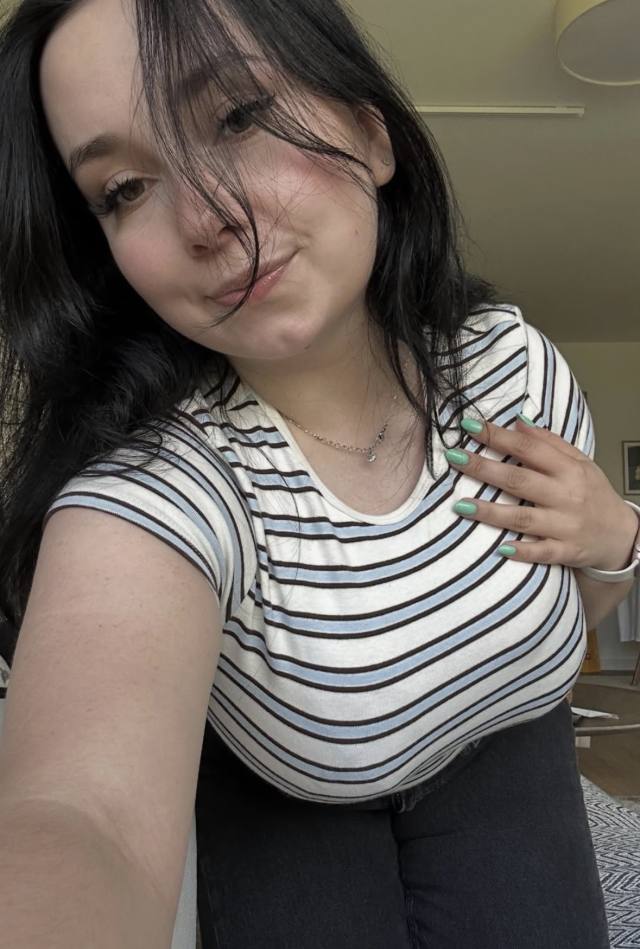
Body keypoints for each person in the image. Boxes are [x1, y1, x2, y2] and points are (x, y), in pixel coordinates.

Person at [0, 0, 638, 946]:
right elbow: (79, 811)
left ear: (373, 138)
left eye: (237, 116)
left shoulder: (513, 370)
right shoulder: (161, 489)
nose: (209, 218)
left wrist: (619, 537)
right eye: (125, 187)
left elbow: (558, 610)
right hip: (286, 800)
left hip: (510, 750)